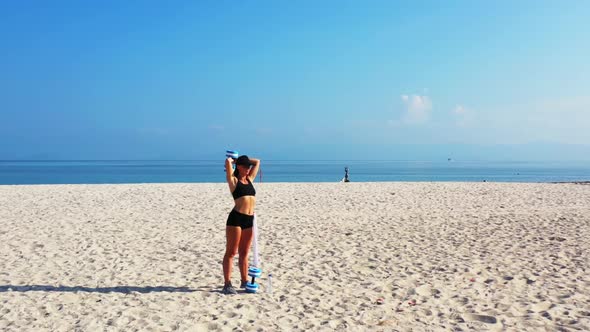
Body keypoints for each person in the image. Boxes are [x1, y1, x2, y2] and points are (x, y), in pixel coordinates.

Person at [222, 155, 261, 294]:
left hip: (249, 220)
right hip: (236, 219)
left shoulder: (249, 179)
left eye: (248, 166)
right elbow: (228, 162)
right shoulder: (233, 181)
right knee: (232, 252)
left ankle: (244, 281)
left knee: (244, 253)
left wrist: (244, 159)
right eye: (245, 166)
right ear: (238, 166)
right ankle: (227, 284)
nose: (248, 168)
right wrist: (233, 160)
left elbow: (257, 161)